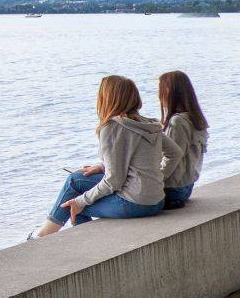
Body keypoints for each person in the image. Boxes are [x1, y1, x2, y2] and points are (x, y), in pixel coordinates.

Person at [32, 75, 165, 239]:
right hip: (157, 200)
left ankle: (47, 235)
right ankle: (45, 232)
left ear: (107, 98)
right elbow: (171, 153)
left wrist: (81, 201)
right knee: (78, 178)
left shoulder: (112, 127)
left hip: (134, 203)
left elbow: (114, 181)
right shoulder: (148, 124)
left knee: (74, 202)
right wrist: (103, 166)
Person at [157, 69, 209, 209]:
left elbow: (173, 157)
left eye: (161, 90)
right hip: (186, 186)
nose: (158, 95)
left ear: (170, 92)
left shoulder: (178, 122)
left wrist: (156, 181)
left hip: (173, 190)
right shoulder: (195, 118)